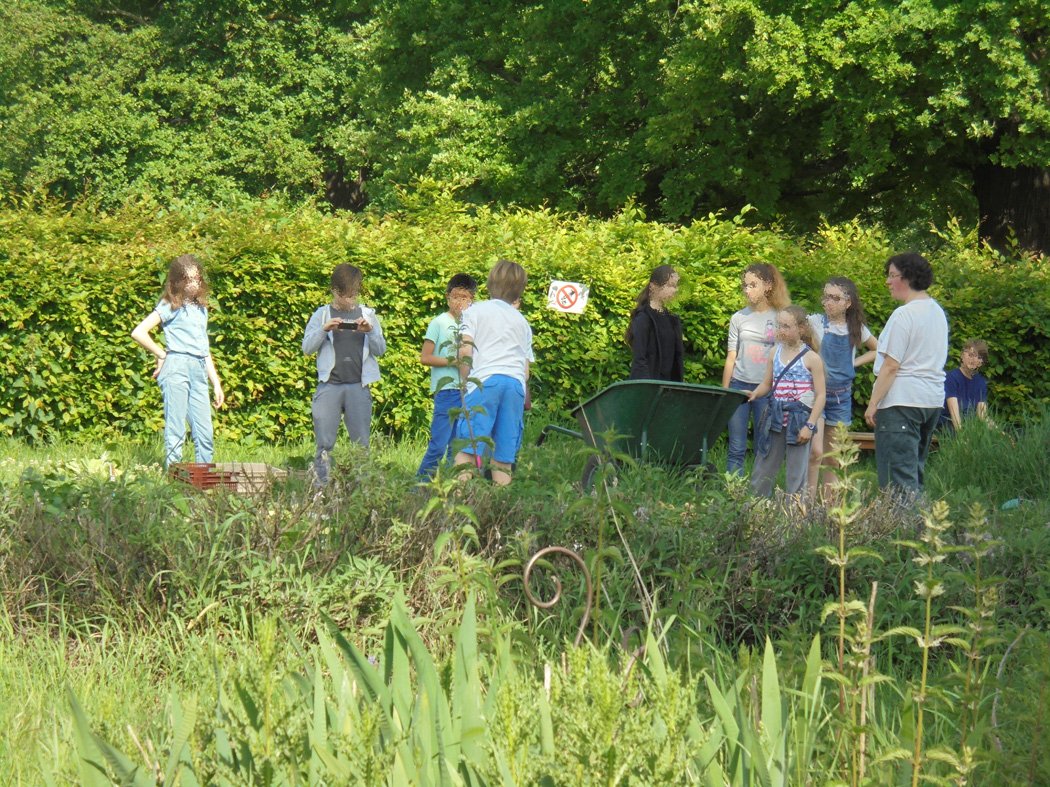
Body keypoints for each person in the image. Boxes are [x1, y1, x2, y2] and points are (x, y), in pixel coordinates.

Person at [864, 252, 948, 494]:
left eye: (892, 276)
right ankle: (922, 529)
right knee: (914, 475)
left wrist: (873, 403)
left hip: (902, 403)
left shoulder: (905, 314)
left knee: (896, 480)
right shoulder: (937, 312)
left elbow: (891, 365)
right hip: (931, 402)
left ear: (908, 277)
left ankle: (902, 531)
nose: (888, 282)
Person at [131, 254, 225, 468]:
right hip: (177, 368)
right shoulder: (170, 303)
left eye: (196, 279)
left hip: (199, 369)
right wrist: (162, 354)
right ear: (178, 281)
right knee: (176, 431)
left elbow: (204, 348)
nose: (194, 284)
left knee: (205, 433)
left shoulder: (201, 309)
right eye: (189, 279)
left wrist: (216, 383)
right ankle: (173, 486)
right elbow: (139, 332)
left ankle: (204, 485)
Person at [302, 263, 386, 485]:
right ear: (335, 291)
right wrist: (324, 329)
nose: (351, 300)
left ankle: (362, 492)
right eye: (347, 295)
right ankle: (320, 491)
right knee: (324, 443)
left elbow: (380, 349)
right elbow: (307, 348)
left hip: (358, 387)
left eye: (354, 294)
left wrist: (371, 331)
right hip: (329, 386)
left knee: (361, 445)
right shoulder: (321, 314)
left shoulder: (368, 314)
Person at [453, 259, 533, 486]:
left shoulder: (475, 311)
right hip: (515, 386)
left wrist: (463, 381)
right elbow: (525, 371)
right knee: (504, 457)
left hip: (485, 382)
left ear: (490, 283)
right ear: (520, 290)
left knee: (468, 449)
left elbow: (465, 350)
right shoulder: (522, 322)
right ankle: (499, 511)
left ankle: (457, 506)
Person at [806, 277, 878, 495]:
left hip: (841, 399)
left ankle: (830, 508)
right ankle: (805, 506)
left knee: (834, 456)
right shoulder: (815, 322)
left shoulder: (856, 328)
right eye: (826, 297)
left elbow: (878, 350)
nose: (828, 302)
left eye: (835, 298)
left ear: (848, 303)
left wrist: (853, 362)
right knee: (815, 452)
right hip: (817, 395)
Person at [748, 306, 826, 497]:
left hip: (799, 422)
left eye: (786, 326)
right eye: (779, 325)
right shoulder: (775, 352)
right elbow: (767, 384)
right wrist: (754, 394)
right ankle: (755, 514)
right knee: (763, 468)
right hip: (774, 420)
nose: (780, 330)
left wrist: (810, 425)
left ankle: (796, 520)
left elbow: (821, 395)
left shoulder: (812, 358)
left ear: (801, 328)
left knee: (797, 475)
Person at [722, 262, 791, 474]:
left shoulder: (780, 318)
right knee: (736, 448)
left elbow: (784, 357)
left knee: (764, 446)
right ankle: (734, 496)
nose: (747, 290)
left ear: (768, 286)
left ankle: (761, 496)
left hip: (766, 389)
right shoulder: (738, 318)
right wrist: (725, 392)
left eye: (753, 285)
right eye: (745, 285)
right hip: (738, 388)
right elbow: (731, 357)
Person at [416, 273, 478, 479]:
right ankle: (420, 486)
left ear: (472, 300)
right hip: (447, 390)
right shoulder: (439, 323)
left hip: (468, 390)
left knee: (457, 447)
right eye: (455, 296)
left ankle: (451, 487)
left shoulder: (474, 324)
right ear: (447, 297)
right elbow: (425, 357)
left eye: (465, 297)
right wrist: (453, 361)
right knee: (438, 444)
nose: (460, 302)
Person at [625, 265, 684, 381]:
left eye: (675, 286)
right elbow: (640, 359)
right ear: (653, 286)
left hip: (668, 389)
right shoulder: (643, 319)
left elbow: (677, 360)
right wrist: (648, 389)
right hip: (648, 387)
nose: (675, 290)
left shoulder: (673, 320)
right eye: (670, 286)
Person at [941, 339, 989, 430]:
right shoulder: (951, 378)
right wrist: (962, 437)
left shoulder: (980, 382)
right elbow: (954, 414)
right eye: (970, 355)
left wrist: (999, 433)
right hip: (948, 425)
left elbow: (983, 416)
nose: (974, 359)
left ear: (981, 362)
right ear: (962, 355)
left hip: (969, 426)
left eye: (978, 357)